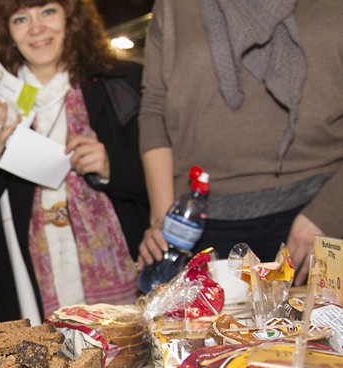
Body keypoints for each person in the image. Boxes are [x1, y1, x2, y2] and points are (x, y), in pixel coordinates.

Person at [0, 0, 149, 324]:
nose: (36, 28)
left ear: (71, 18)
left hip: (122, 267)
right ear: (6, 32)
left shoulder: (118, 82)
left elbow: (158, 177)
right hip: (33, 279)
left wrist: (110, 166)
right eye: (21, 19)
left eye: (47, 12)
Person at [137, 0, 343, 285]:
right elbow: (155, 109)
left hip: (320, 213)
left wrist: (331, 213)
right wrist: (164, 222)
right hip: (201, 225)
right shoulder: (174, 6)